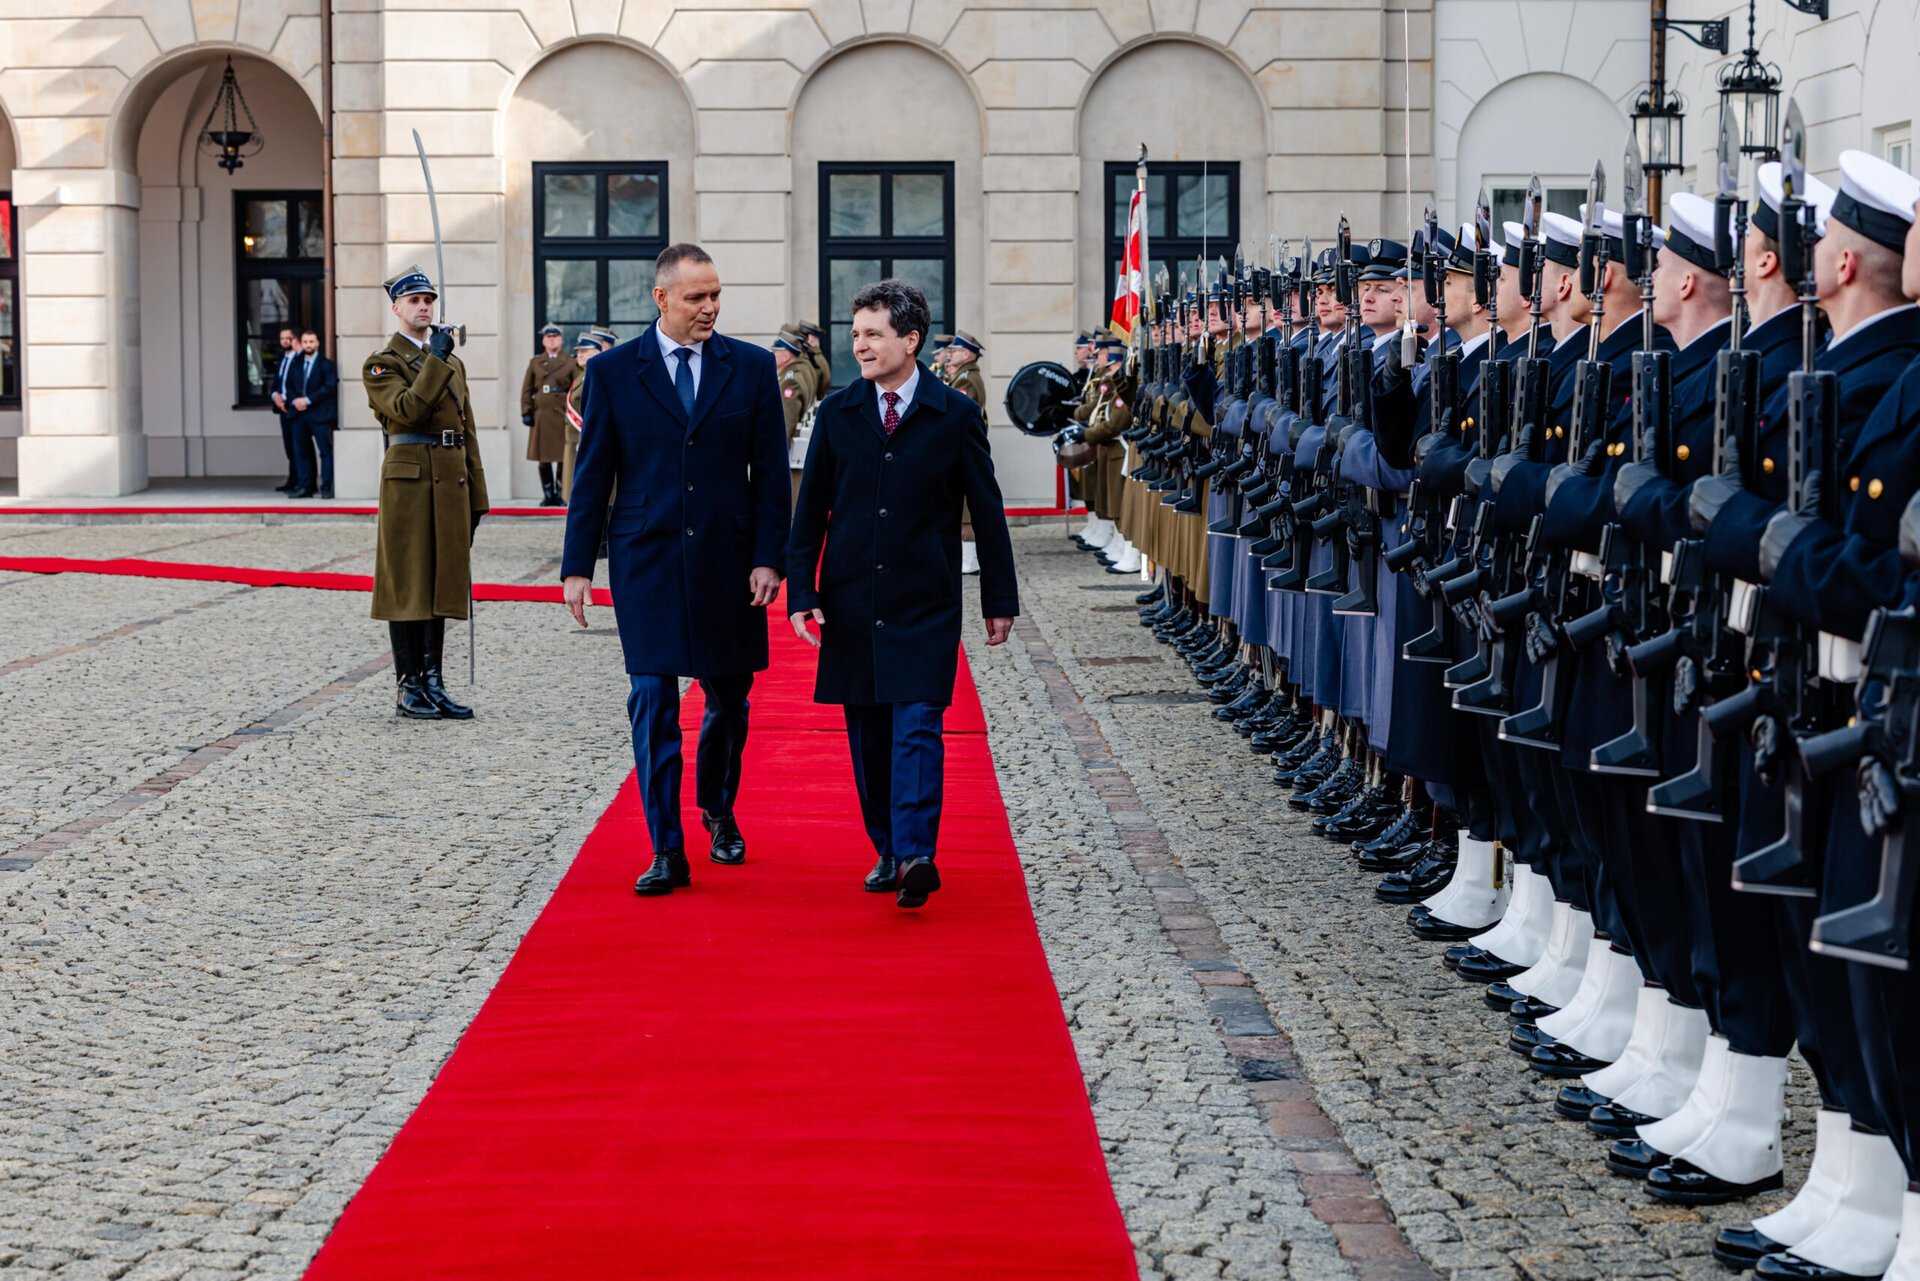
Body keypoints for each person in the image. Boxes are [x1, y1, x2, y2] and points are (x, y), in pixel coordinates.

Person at [560, 244, 790, 898]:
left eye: (715, 294)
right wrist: (578, 564)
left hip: (729, 559)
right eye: (696, 297)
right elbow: (593, 474)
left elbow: (772, 475)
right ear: (661, 299)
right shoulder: (611, 371)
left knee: (728, 699)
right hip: (647, 558)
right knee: (653, 698)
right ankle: (666, 845)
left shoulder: (748, 368)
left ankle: (717, 807)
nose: (710, 307)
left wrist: (771, 556)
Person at [787, 278, 1019, 910]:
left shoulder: (956, 414)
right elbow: (809, 516)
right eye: (856, 335)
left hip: (926, 601)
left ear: (911, 340)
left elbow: (988, 511)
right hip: (852, 602)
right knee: (868, 735)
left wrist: (999, 599)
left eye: (874, 335)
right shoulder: (838, 414)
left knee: (917, 725)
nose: (860, 346)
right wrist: (801, 592)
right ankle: (888, 848)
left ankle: (918, 852)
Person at [364, 265, 489, 721]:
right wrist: (434, 359)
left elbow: (466, 431)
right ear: (396, 307)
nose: (424, 307)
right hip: (410, 485)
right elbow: (408, 410)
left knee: (440, 580)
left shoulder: (453, 362)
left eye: (429, 300)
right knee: (409, 580)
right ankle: (409, 684)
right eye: (414, 300)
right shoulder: (383, 363)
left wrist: (478, 494)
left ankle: (435, 681)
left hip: (451, 479)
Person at [946, 331, 991, 575]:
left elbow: (958, 417)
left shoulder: (967, 380)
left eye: (953, 351)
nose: (949, 355)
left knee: (966, 512)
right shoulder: (964, 376)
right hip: (960, 449)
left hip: (962, 450)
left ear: (966, 354)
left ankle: (971, 560)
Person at [521, 322, 579, 506]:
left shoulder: (570, 361)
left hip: (562, 414)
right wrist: (526, 411)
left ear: (561, 340)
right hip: (542, 415)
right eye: (548, 337)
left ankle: (561, 494)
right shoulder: (535, 362)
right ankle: (548, 495)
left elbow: (578, 387)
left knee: (563, 457)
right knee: (543, 458)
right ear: (543, 341)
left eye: (555, 336)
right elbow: (526, 389)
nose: (552, 340)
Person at [285, 330, 338, 498]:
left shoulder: (327, 364)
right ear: (301, 343)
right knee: (302, 452)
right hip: (299, 415)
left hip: (320, 414)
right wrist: (295, 401)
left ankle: (327, 486)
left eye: (311, 342)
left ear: (317, 343)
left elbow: (329, 387)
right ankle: (306, 486)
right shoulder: (295, 364)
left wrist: (307, 400)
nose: (308, 345)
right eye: (305, 342)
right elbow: (289, 385)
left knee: (325, 452)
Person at [561, 330, 602, 505]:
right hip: (574, 439)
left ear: (598, 352)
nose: (580, 355)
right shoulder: (582, 376)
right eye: (578, 352)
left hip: (584, 439)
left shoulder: (595, 376)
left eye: (585, 351)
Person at [269, 327, 299, 494]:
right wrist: (275, 396)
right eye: (282, 338)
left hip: (295, 408)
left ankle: (301, 481)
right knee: (289, 446)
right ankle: (292, 479)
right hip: (282, 408)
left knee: (298, 447)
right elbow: (275, 383)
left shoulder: (299, 359)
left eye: (288, 338)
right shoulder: (282, 358)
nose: (285, 341)